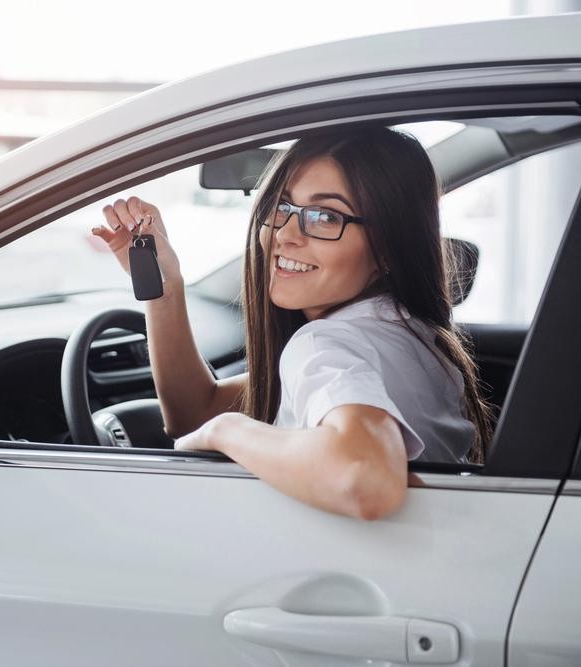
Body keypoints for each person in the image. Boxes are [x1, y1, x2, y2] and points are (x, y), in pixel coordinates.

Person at [90, 126, 492, 520]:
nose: (285, 234)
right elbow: (197, 412)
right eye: (282, 207)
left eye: (324, 216)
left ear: (388, 246)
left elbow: (364, 477)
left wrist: (227, 433)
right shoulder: (410, 336)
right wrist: (164, 288)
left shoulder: (326, 344)